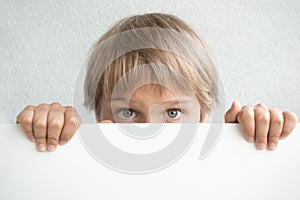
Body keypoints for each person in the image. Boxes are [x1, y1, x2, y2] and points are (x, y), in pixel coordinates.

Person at [16, 13, 298, 153]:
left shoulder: (219, 164)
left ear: (203, 115)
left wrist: (253, 139)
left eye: (173, 113)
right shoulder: (82, 171)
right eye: (128, 112)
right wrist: (45, 129)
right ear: (97, 115)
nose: (148, 131)